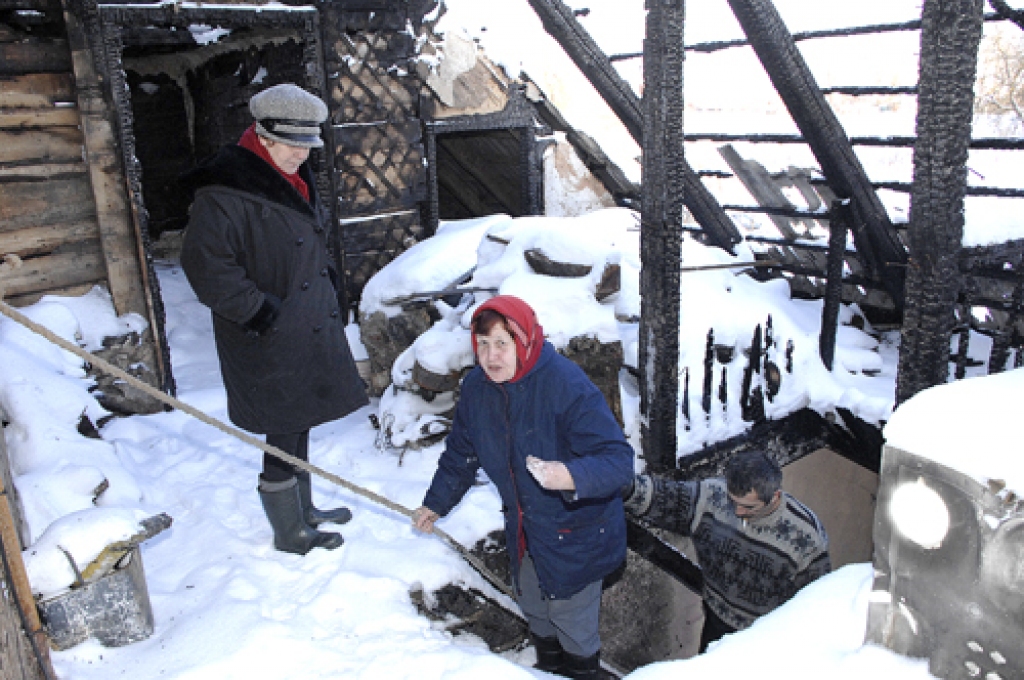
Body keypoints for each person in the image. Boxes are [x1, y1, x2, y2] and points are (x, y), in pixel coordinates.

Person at [180, 83, 368, 556]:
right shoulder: (224, 192)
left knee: (299, 420)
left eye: (309, 146)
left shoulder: (291, 178)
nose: (301, 155)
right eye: (293, 144)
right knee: (282, 427)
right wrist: (259, 312)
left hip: (303, 323)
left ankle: (303, 511)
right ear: (261, 135)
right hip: (268, 332)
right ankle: (290, 533)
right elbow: (206, 267)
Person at [411, 295, 633, 680]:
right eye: (483, 344)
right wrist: (436, 503)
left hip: (577, 532)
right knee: (533, 605)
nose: (491, 356)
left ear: (524, 340)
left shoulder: (564, 384)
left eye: (502, 343)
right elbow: (461, 453)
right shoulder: (479, 388)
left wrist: (571, 476)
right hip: (525, 528)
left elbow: (618, 461)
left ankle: (582, 672)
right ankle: (548, 669)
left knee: (572, 623)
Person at [623, 449, 831, 652]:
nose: (738, 512)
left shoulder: (805, 538)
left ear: (775, 496)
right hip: (716, 621)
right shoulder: (713, 496)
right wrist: (625, 487)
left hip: (764, 639)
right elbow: (667, 499)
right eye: (733, 502)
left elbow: (815, 602)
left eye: (748, 507)